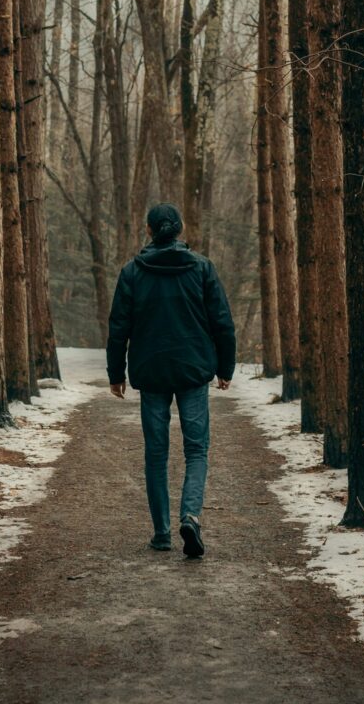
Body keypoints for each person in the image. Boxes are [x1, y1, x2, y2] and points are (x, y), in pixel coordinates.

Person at [106, 203, 236, 558]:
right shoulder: (202, 268)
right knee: (196, 449)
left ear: (149, 230)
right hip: (194, 370)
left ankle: (162, 532)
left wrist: (116, 373)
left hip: (151, 373)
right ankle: (190, 516)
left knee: (156, 453)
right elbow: (222, 322)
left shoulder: (133, 272)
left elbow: (119, 328)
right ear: (179, 230)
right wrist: (226, 367)